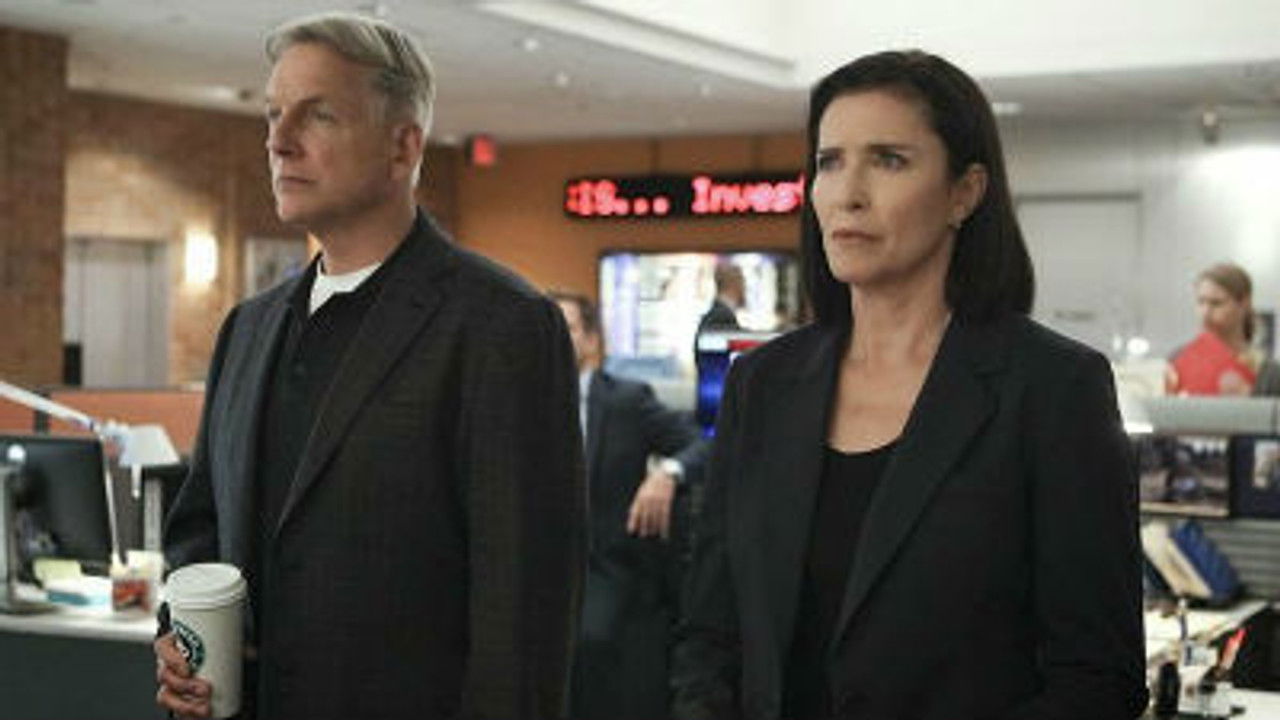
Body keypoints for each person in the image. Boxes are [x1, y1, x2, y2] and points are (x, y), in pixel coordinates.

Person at [671, 50, 1148, 720]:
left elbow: (1097, 677)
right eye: (829, 161)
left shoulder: (1052, 389)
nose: (848, 192)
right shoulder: (762, 384)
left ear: (965, 192)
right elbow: (711, 634)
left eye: (888, 160)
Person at [153, 13, 583, 720]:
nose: (279, 140)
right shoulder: (248, 328)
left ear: (402, 146)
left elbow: (522, 614)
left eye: (318, 115)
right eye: (273, 114)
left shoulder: (499, 325)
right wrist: (180, 635)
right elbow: (199, 531)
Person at [551, 291, 706, 720]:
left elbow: (703, 444)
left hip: (606, 566)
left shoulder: (627, 401)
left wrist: (667, 473)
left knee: (590, 643)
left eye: (567, 329)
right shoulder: (517, 401)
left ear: (591, 339)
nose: (555, 339)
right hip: (537, 566)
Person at [1168, 262, 1279, 396]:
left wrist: (1250, 397)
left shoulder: (1268, 373)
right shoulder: (1179, 359)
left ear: (1244, 304)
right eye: (1200, 302)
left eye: (1216, 303)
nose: (1205, 312)